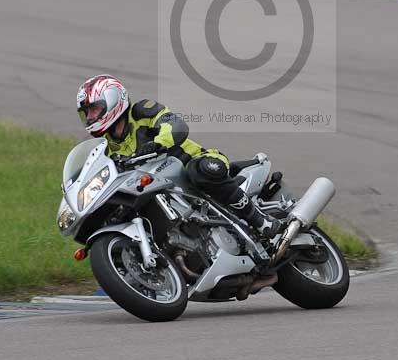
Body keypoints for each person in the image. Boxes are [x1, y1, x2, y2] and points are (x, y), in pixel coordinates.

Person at [76, 74, 283, 238]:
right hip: (164, 189)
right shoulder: (108, 150)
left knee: (198, 172)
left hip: (198, 162)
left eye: (94, 108)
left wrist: (158, 143)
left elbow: (175, 124)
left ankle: (261, 221)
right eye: (87, 112)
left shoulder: (141, 112)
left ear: (113, 100)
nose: (91, 117)